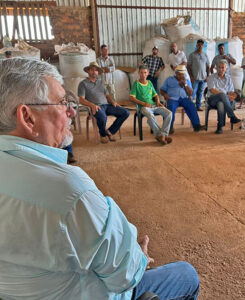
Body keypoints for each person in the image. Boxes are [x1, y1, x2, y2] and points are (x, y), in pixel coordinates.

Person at [0, 57, 200, 300]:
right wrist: (138, 256)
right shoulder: (70, 192)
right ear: (28, 117)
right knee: (187, 275)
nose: (72, 111)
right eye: (63, 103)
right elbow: (126, 273)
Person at [78, 62, 129, 144]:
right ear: (88, 71)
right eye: (92, 70)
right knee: (102, 117)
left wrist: (113, 101)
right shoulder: (83, 84)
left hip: (107, 105)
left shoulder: (101, 82)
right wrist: (92, 105)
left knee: (125, 112)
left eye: (96, 70)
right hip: (96, 107)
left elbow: (106, 95)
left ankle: (110, 132)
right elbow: (81, 100)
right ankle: (102, 135)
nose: (94, 72)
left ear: (98, 72)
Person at [130, 65, 172, 145]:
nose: (143, 74)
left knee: (169, 113)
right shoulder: (136, 84)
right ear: (139, 73)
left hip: (154, 105)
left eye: (145, 73)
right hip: (143, 107)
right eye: (141, 73)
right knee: (149, 114)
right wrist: (144, 104)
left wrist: (158, 102)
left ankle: (163, 135)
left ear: (148, 73)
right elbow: (131, 98)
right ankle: (160, 135)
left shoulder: (149, 83)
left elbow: (155, 95)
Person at [160, 65, 205, 134]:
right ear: (176, 73)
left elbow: (190, 93)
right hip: (172, 99)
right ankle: (170, 127)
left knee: (191, 106)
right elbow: (162, 90)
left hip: (184, 98)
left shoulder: (186, 80)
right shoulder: (169, 79)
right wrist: (165, 94)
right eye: (179, 74)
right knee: (171, 108)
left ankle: (196, 125)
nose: (181, 76)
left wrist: (185, 84)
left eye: (182, 74)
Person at [207, 60, 241, 134]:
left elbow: (230, 91)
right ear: (216, 68)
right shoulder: (211, 77)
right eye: (219, 67)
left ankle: (220, 127)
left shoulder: (229, 78)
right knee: (222, 95)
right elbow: (212, 90)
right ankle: (232, 116)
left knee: (221, 104)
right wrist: (226, 96)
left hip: (224, 100)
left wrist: (232, 95)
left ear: (226, 69)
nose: (221, 69)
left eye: (223, 68)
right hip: (212, 99)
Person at [187, 39, 210, 111]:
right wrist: (191, 76)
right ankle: (190, 106)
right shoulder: (192, 55)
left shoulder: (205, 55)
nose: (200, 46)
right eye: (199, 45)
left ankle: (198, 106)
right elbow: (188, 66)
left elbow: (208, 66)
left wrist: (208, 76)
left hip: (203, 78)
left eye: (201, 45)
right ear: (197, 45)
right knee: (192, 93)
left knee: (200, 93)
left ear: (203, 46)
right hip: (195, 78)